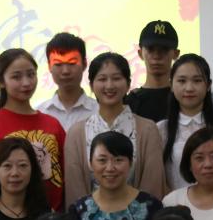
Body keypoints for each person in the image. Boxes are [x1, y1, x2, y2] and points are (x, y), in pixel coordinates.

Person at [64, 52, 166, 204]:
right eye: (102, 79)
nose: (109, 85)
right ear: (91, 85)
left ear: (128, 83)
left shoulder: (147, 129)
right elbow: (75, 191)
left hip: (138, 216)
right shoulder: (76, 133)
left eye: (116, 78)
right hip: (88, 217)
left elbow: (152, 186)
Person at [0, 48, 66, 210]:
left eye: (31, 74)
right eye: (16, 77)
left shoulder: (53, 124)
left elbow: (67, 177)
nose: (26, 83)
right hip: (7, 218)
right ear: (1, 81)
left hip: (51, 218)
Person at [157, 53, 213, 192]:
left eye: (197, 80)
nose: (189, 88)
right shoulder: (161, 129)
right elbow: (158, 178)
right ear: (171, 85)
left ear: (208, 85)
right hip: (173, 204)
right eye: (182, 81)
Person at [36, 32, 97, 131]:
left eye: (72, 63)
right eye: (58, 64)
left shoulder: (99, 111)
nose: (65, 71)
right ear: (49, 66)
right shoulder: (40, 113)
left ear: (85, 64)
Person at [125, 20, 180, 123]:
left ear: (176, 54)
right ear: (140, 53)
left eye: (164, 49)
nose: (157, 56)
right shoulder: (129, 103)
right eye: (150, 49)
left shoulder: (183, 98)